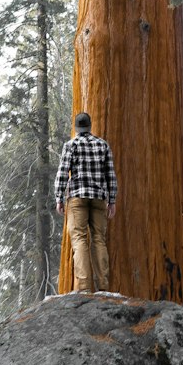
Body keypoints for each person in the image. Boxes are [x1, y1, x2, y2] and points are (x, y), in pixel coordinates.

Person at [54, 111, 118, 292]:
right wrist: (112, 200)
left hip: (77, 198)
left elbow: (62, 172)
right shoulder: (102, 145)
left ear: (76, 128)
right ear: (89, 127)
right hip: (99, 199)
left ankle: (84, 287)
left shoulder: (71, 145)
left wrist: (59, 198)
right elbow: (110, 175)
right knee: (99, 240)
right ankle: (103, 286)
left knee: (79, 240)